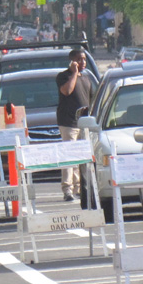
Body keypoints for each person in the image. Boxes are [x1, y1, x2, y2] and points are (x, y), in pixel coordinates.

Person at [55, 48, 94, 202]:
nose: (82, 62)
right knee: (68, 157)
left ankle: (79, 188)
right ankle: (67, 189)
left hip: (84, 123)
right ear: (72, 61)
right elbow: (67, 91)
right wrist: (73, 73)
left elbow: (91, 101)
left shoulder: (86, 79)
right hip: (68, 122)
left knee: (80, 157)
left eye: (84, 59)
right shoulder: (63, 77)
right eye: (79, 59)